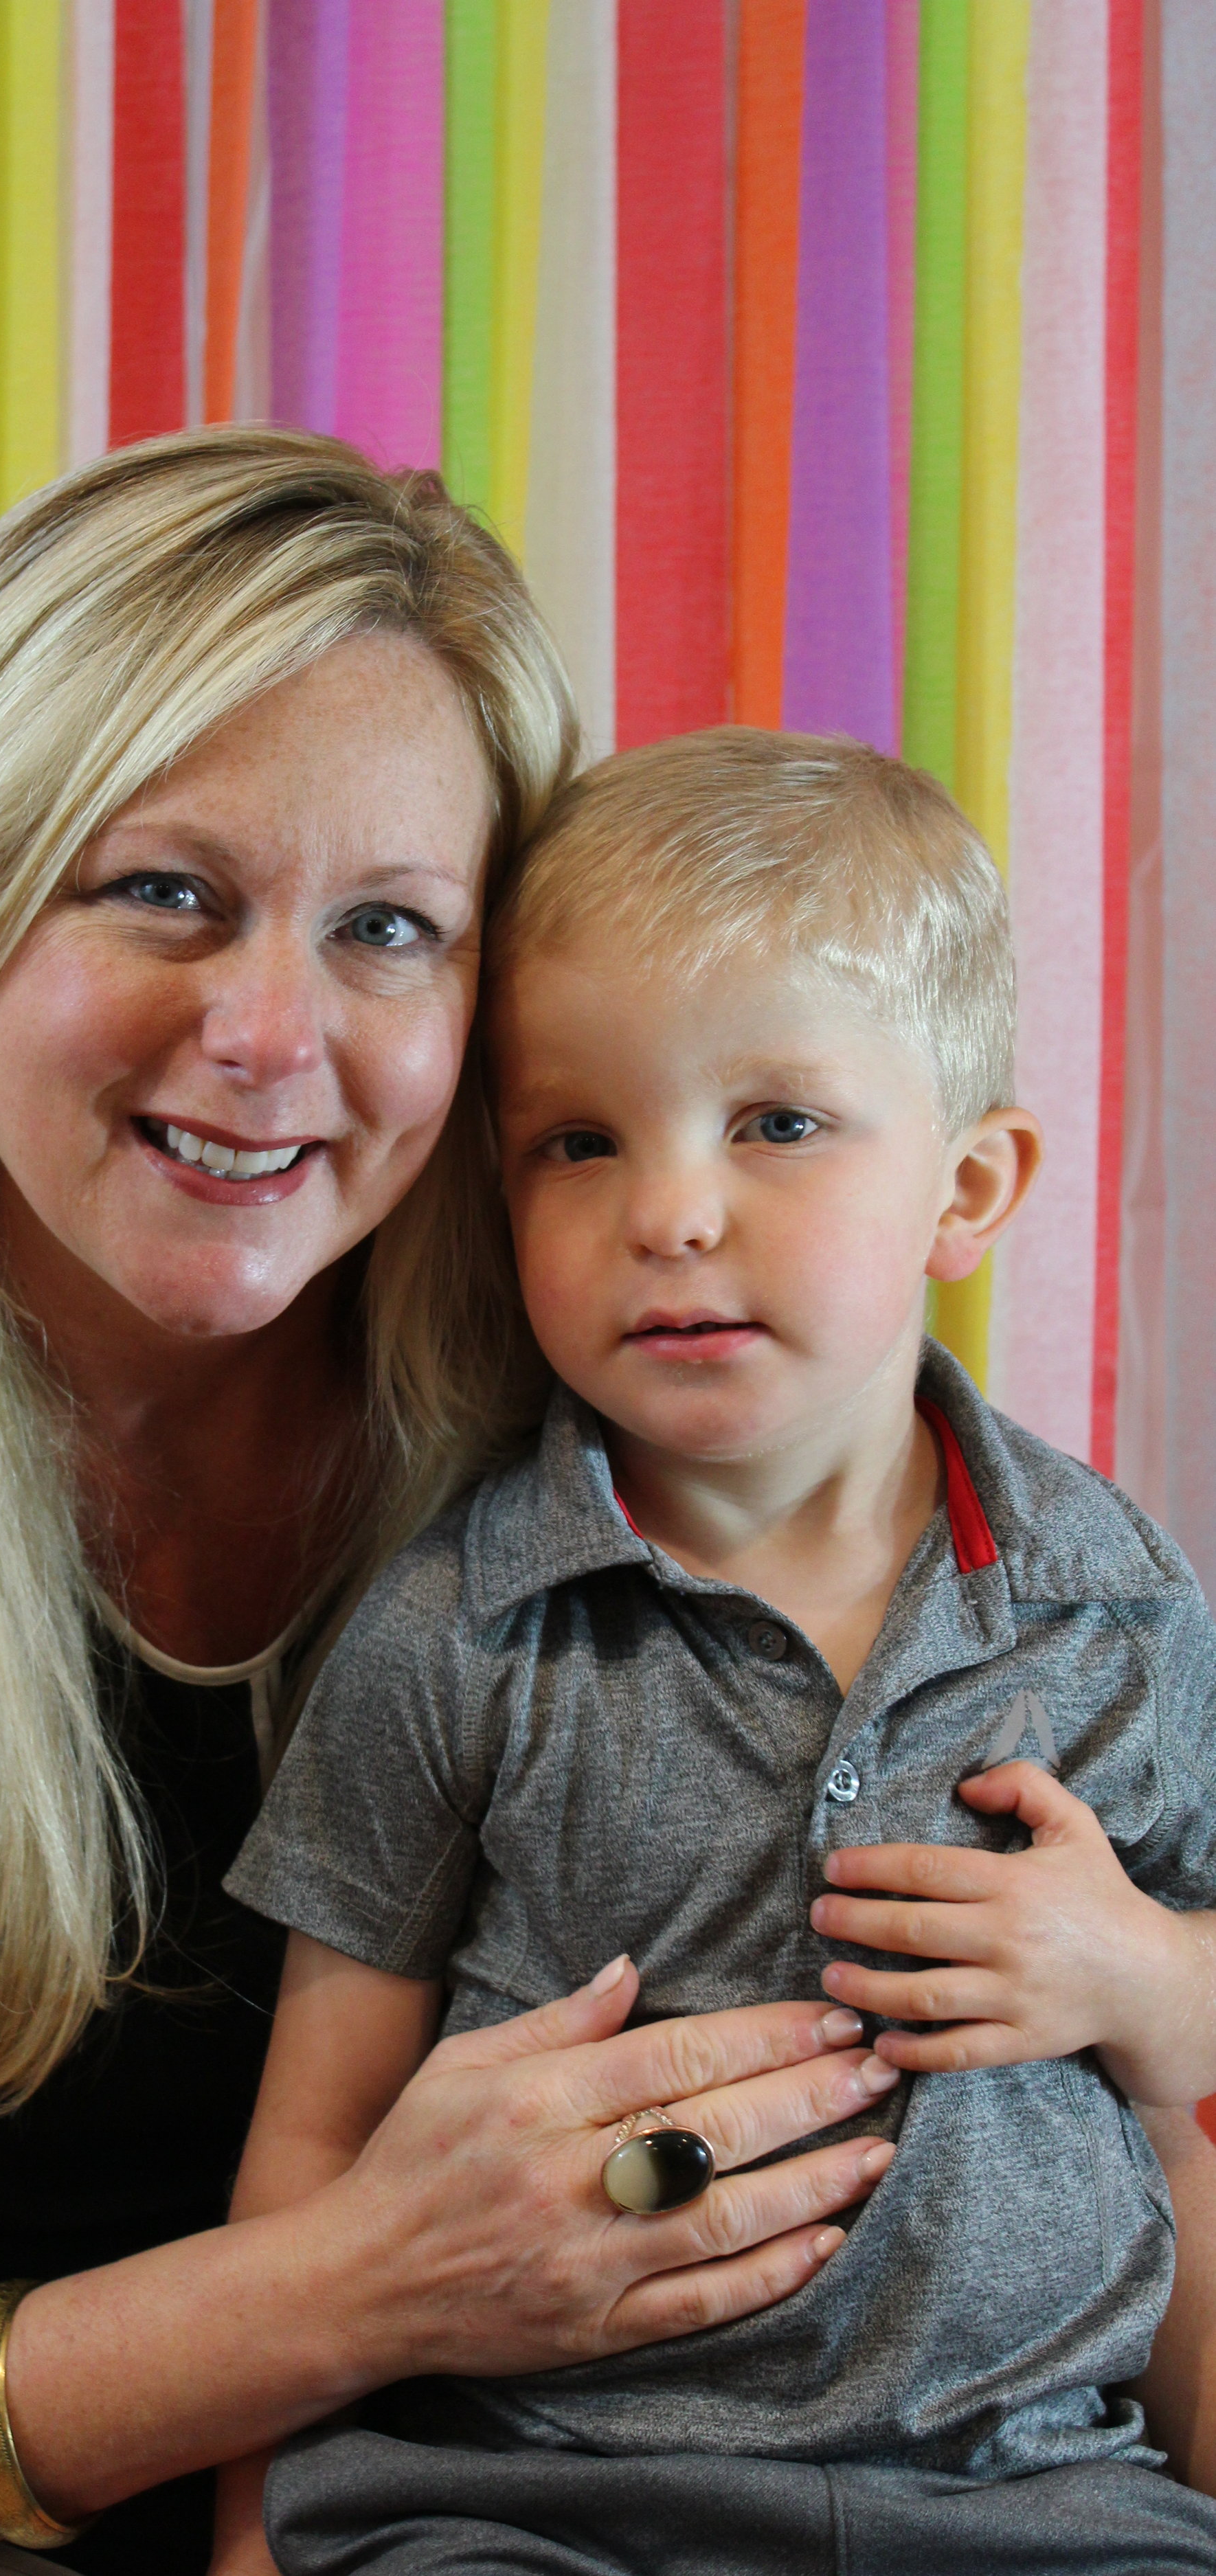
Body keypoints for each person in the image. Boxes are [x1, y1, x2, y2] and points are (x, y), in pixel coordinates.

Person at [0, 440, 921, 2576]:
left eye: (387, 929)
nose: (270, 1034)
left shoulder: (613, 1372)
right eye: (164, 890)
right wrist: (356, 2289)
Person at [222, 730, 1216, 2575]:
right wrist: (243, 2543)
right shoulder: (457, 1627)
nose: (669, 1212)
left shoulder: (1113, 1607)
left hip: (1029, 2500)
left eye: (776, 1125)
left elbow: (1180, 2102)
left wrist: (1149, 1975)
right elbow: (313, 2147)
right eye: (579, 1142)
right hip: (528, 2500)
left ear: (968, 1187)